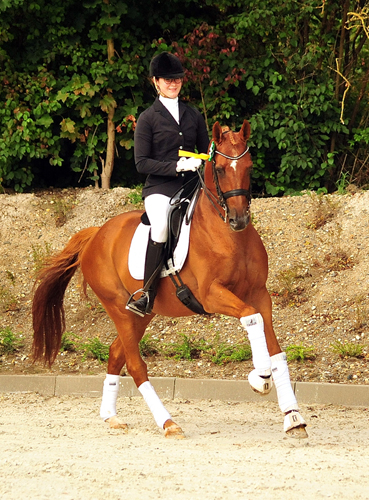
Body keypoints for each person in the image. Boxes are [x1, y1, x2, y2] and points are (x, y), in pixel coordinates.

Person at [126, 51, 209, 317]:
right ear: (156, 82)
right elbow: (141, 163)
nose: (173, 84)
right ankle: (146, 294)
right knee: (161, 226)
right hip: (160, 189)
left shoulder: (193, 115)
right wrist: (175, 166)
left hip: (192, 185)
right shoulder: (147, 118)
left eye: (177, 79)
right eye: (167, 80)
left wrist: (208, 158)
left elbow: (207, 150)